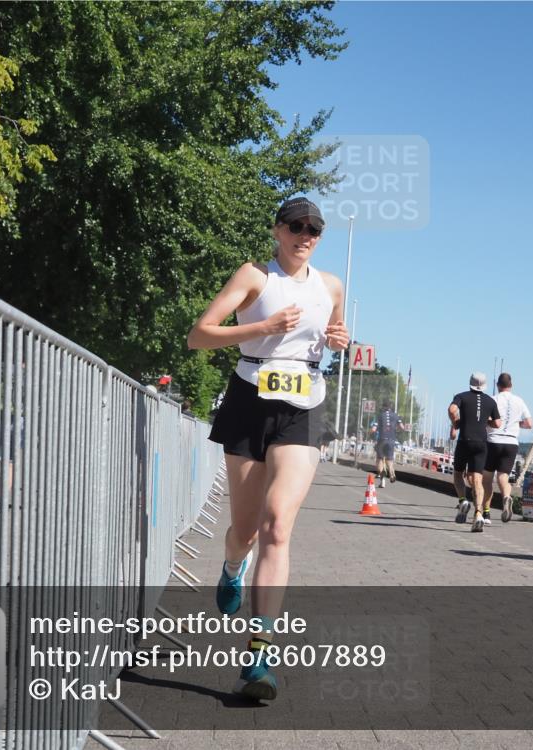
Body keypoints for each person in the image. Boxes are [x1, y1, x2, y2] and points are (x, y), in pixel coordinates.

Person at [187, 197, 349, 699]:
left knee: (277, 524)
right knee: (245, 530)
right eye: (297, 227)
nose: (306, 235)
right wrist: (262, 327)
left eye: (315, 230)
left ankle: (259, 657)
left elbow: (332, 336)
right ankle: (232, 565)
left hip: (303, 405)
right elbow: (198, 336)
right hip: (249, 399)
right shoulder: (255, 276)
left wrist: (341, 339)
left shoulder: (331, 286)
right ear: (278, 230)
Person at [448, 372, 501, 532]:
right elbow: (498, 423)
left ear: (470, 383)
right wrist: (485, 421)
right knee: (477, 481)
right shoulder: (490, 401)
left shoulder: (461, 396)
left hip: (465, 441)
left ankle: (463, 500)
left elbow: (452, 409)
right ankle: (478, 514)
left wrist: (455, 422)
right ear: (484, 385)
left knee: (458, 474)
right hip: (481, 444)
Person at [482, 373, 532, 524]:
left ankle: (486, 513)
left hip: (493, 441)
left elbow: (486, 420)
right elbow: (529, 424)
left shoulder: (493, 399)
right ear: (511, 385)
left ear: (498, 385)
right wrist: (517, 424)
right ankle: (506, 497)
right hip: (511, 443)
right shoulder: (519, 401)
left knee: (487, 479)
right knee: (503, 476)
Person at [370, 402, 404, 487]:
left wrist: (369, 432)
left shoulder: (380, 416)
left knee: (380, 460)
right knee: (389, 460)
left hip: (382, 440)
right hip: (391, 440)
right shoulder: (396, 416)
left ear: (383, 407)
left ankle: (382, 481)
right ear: (391, 407)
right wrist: (396, 430)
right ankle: (392, 473)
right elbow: (402, 427)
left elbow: (373, 429)